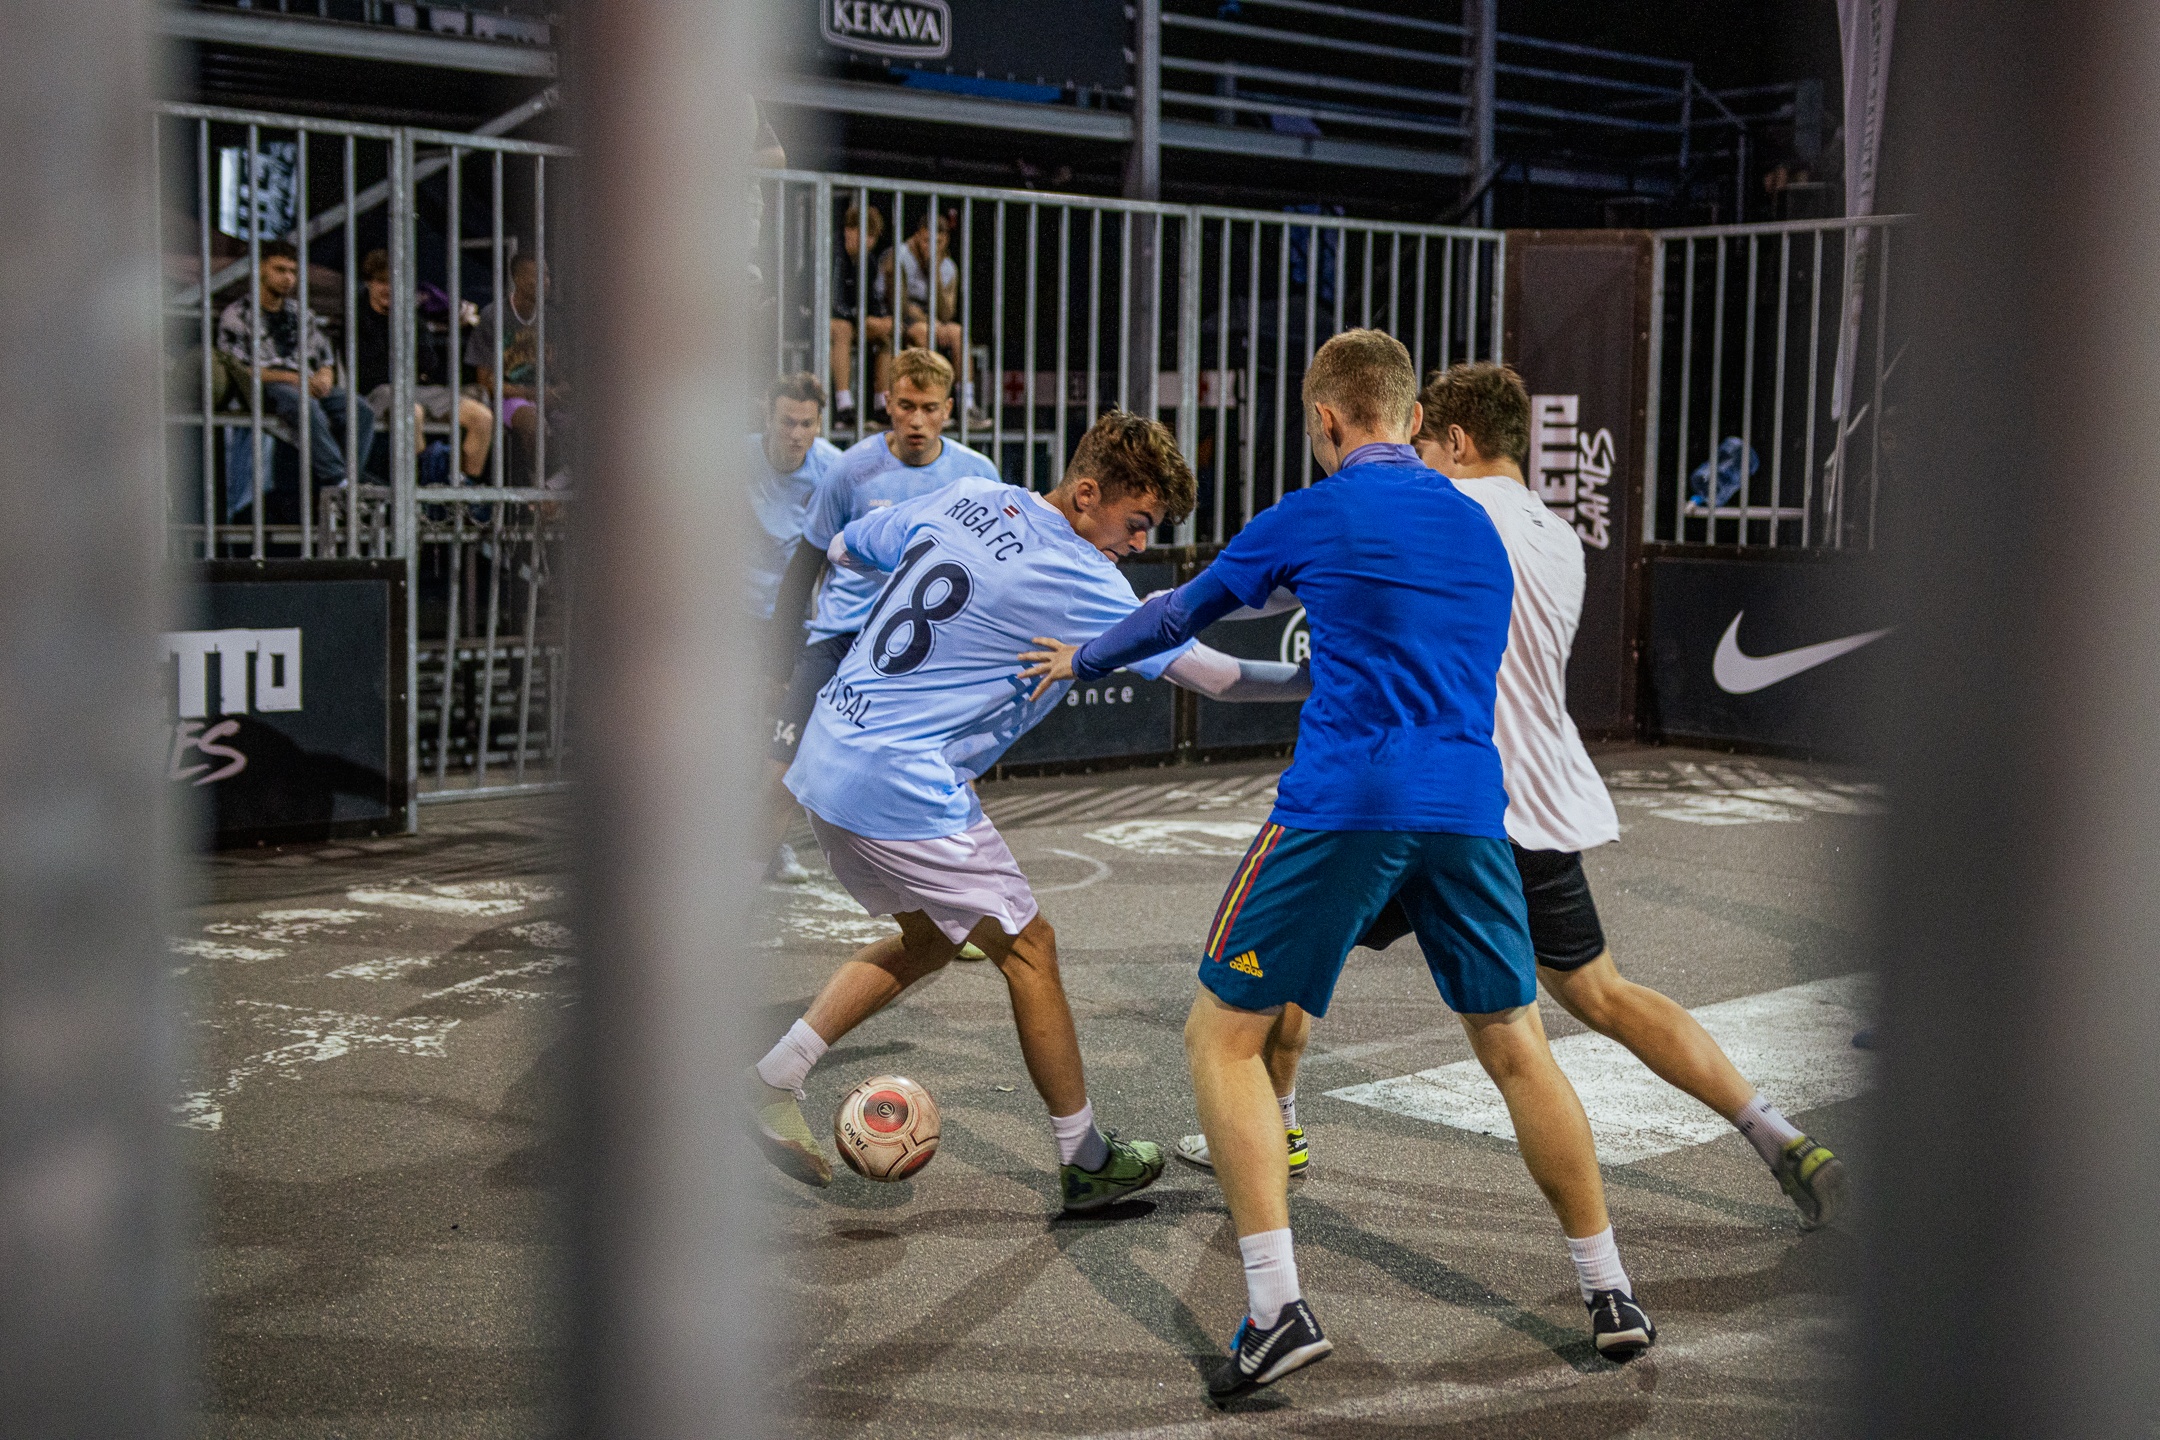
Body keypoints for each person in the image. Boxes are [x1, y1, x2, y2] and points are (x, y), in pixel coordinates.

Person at [1023, 331, 1655, 1402]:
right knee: (1516, 1044)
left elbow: (1179, 614)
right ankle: (1610, 1289)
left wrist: (1080, 656)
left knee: (1220, 1035)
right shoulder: (1475, 523)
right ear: (1412, 419)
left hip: (1349, 804)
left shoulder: (1314, 512)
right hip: (1471, 809)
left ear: (1325, 419)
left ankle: (1276, 1308)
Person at [1166, 365, 1848, 1236]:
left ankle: (1282, 1126)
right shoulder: (1559, 535)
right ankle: (1780, 1136)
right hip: (1539, 801)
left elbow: (1283, 596)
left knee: (1288, 960)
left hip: (1445, 799)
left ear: (1454, 442)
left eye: (1420, 443)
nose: (1407, 458)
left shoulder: (1440, 513)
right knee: (1602, 995)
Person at [748, 410, 1308, 1211]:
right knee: (1030, 949)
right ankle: (1085, 1159)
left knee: (932, 939)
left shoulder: (971, 496)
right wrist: (1324, 682)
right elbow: (1217, 678)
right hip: (900, 781)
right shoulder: (1079, 577)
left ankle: (775, 1076)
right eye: (1137, 521)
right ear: (1087, 495)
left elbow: (848, 546)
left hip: (833, 745)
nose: (1140, 542)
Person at [758, 349, 997, 881]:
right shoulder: (850, 469)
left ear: (949, 409)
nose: (917, 421)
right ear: (887, 403)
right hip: (843, 639)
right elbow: (805, 565)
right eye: (906, 406)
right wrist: (779, 662)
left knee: (948, 777)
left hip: (925, 649)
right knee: (780, 772)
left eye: (929, 408)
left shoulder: (977, 476)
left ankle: (963, 893)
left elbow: (988, 573)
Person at [748, 372, 843, 882]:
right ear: (767, 416)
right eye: (787, 421)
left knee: (776, 738)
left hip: (795, 621)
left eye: (807, 424)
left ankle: (771, 844)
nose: (797, 434)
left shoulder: (833, 470)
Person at [215, 239, 375, 509]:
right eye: (280, 270)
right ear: (260, 269)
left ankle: (347, 481)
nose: (288, 278)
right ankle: (339, 482)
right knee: (302, 403)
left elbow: (325, 358)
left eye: (292, 271)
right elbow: (240, 369)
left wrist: (325, 376)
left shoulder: (301, 314)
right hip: (265, 386)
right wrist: (292, 379)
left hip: (304, 382)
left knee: (360, 409)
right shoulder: (237, 315)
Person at [352, 248, 493, 481]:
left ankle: (465, 491)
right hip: (380, 391)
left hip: (419, 389)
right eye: (381, 281)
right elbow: (369, 372)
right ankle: (420, 488)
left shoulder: (410, 317)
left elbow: (429, 361)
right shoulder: (357, 317)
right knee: (412, 412)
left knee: (482, 417)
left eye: (393, 282)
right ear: (369, 283)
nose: (388, 288)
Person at [884, 209, 986, 430]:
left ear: (946, 240)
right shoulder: (899, 257)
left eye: (938, 242)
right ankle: (930, 401)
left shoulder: (948, 267)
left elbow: (947, 313)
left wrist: (935, 272)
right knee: (923, 332)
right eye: (927, 240)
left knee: (958, 332)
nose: (931, 246)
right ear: (918, 235)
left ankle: (967, 405)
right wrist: (931, 322)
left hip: (934, 321)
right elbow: (898, 304)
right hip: (903, 320)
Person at [463, 252, 558, 482]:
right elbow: (486, 381)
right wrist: (532, 394)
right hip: (508, 399)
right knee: (534, 425)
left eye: (546, 275)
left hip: (546, 395)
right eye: (536, 275)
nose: (544, 281)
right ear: (517, 278)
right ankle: (542, 490)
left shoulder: (552, 319)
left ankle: (559, 488)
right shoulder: (494, 316)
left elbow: (561, 371)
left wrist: (560, 391)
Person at [828, 202, 888, 425]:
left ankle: (882, 405)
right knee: (842, 328)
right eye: (864, 234)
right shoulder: (834, 252)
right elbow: (833, 304)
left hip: (850, 321)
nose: (868, 242)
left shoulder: (869, 261)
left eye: (872, 237)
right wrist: (862, 319)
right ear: (848, 230)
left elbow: (872, 301)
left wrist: (882, 320)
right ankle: (844, 406)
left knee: (886, 334)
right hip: (810, 317)